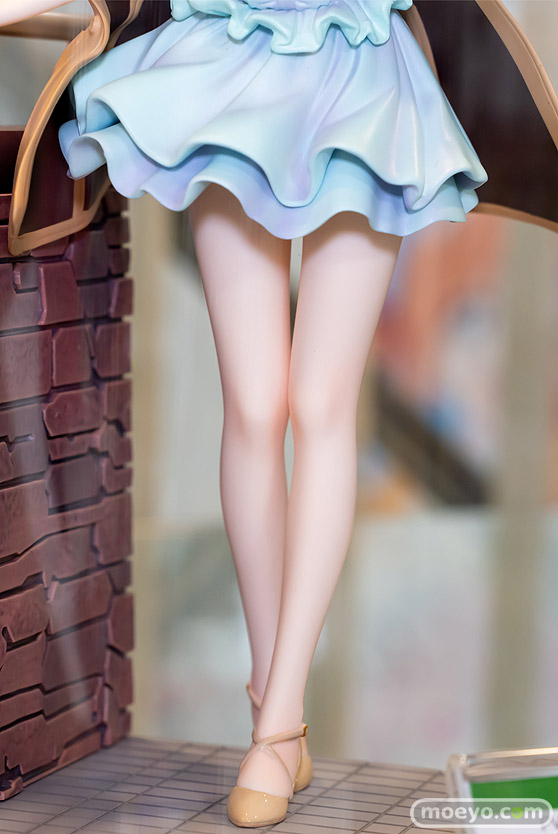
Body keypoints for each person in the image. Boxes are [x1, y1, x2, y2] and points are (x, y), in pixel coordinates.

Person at [1, 0, 490, 827]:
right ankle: (275, 710)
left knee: (322, 401)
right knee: (256, 404)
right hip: (227, 62)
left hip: (363, 74)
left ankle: (277, 718)